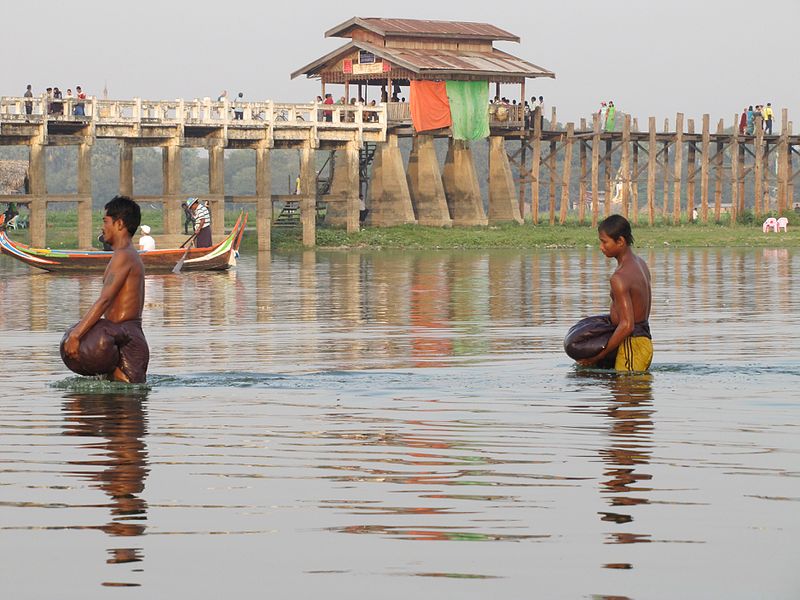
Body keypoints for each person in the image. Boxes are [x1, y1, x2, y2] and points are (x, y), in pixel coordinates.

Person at [63, 196, 149, 383]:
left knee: (127, 402)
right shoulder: (122, 255)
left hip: (127, 337)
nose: (102, 227)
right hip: (118, 335)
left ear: (119, 224)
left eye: (105, 221)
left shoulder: (124, 256)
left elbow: (105, 300)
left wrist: (76, 335)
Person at [577, 215, 653, 372]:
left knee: (624, 393)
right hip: (642, 342)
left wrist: (597, 356)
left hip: (631, 345)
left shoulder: (619, 278)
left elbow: (627, 325)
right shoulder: (640, 264)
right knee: (632, 394)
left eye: (604, 242)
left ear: (620, 241)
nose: (601, 247)